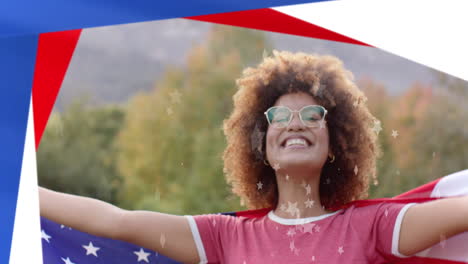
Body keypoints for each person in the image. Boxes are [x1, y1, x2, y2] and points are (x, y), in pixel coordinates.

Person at [40, 51, 468, 264]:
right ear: (261, 143)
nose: (295, 123)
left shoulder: (372, 227)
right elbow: (117, 221)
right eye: (280, 115)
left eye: (312, 115)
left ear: (336, 142)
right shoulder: (225, 238)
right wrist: (21, 190)